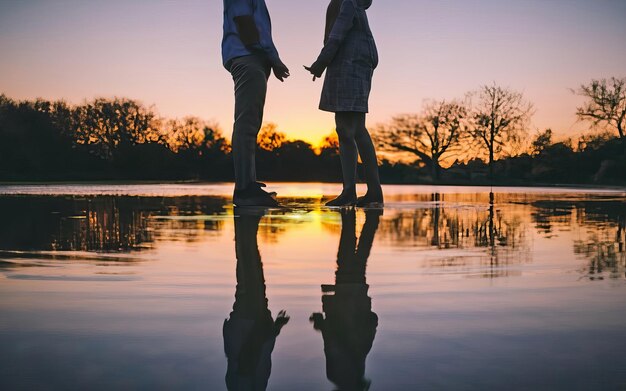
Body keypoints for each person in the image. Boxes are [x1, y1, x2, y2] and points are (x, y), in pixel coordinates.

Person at [305, 0, 383, 207]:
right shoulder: (350, 3)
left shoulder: (347, 2)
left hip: (349, 65)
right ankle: (367, 190)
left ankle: (353, 190)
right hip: (352, 65)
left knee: (349, 129)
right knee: (354, 129)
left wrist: (320, 63)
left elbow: (337, 34)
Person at [222, 0, 290, 207]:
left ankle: (248, 185)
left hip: (253, 58)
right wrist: (274, 59)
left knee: (250, 124)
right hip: (249, 57)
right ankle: (244, 190)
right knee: (247, 123)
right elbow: (244, 22)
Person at [310, 208, 381, 390]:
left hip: (353, 294)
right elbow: (332, 341)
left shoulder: (354, 360)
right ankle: (351, 214)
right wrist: (322, 323)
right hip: (347, 294)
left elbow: (373, 320)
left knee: (358, 256)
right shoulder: (342, 368)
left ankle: (355, 215)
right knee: (350, 258)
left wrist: (323, 324)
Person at [223, 209, 290, 390]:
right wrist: (273, 328)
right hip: (252, 319)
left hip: (249, 321)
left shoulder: (245, 386)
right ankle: (248, 219)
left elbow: (247, 359)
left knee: (248, 265)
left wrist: (273, 328)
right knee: (250, 266)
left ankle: (248, 219)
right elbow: (250, 359)